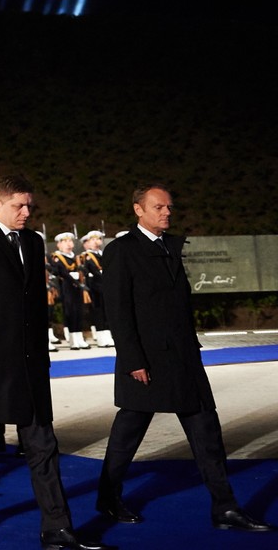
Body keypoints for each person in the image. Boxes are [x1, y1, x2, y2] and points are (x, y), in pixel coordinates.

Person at [96, 185, 273, 533]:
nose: (167, 212)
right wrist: (133, 360)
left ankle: (225, 507)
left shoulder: (170, 246)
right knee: (127, 435)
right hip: (145, 362)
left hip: (184, 359)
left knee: (208, 433)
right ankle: (108, 496)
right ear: (138, 210)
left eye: (169, 207)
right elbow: (118, 311)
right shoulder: (122, 251)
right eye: (158, 207)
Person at [0, 175, 103, 548]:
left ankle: (57, 528)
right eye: (19, 206)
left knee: (42, 444)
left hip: (30, 363)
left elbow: (33, 304)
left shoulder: (33, 242)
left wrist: (42, 355)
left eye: (29, 205)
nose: (26, 212)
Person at [51, 232, 91, 350]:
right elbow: (63, 273)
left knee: (79, 312)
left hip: (77, 288)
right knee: (70, 313)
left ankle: (79, 338)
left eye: (70, 241)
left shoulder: (76, 258)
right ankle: (73, 340)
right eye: (65, 242)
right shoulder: (57, 258)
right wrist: (77, 281)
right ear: (58, 245)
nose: (69, 244)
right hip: (67, 288)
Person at [79, 231, 114, 348]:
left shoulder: (102, 254)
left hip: (105, 286)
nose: (96, 242)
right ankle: (101, 337)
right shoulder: (88, 256)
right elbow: (95, 271)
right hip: (95, 287)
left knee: (107, 312)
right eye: (93, 240)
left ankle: (108, 335)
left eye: (98, 239)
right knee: (98, 312)